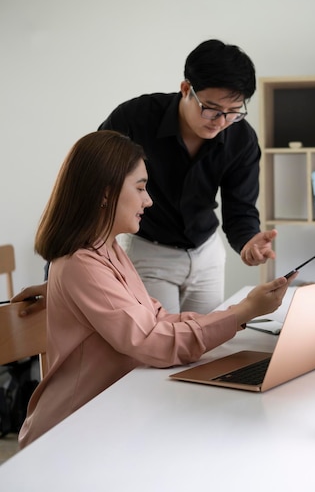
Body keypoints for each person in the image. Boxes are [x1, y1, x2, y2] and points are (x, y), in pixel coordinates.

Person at [17, 130, 295, 448]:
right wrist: (241, 312)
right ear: (105, 194)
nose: (149, 200)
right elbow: (152, 340)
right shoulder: (83, 263)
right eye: (140, 188)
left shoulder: (108, 251)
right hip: (71, 431)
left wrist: (240, 313)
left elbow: (157, 319)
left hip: (109, 414)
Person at [15, 39, 276, 314]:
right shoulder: (134, 119)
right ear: (186, 88)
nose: (221, 122)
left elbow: (241, 209)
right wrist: (55, 277)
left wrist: (248, 241)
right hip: (149, 250)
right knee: (160, 347)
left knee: (207, 347)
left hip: (207, 253)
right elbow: (86, 188)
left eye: (233, 112)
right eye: (211, 109)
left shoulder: (241, 137)